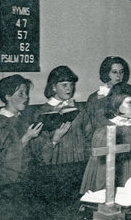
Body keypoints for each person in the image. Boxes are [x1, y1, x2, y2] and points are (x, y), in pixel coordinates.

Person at [32, 65, 92, 202]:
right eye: (64, 85)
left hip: (79, 163)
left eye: (71, 84)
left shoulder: (80, 110)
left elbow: (89, 136)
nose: (69, 88)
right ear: (53, 87)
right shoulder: (42, 112)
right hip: (56, 167)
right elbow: (37, 148)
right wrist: (54, 139)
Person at [80, 83, 131, 193]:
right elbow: (101, 172)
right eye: (130, 102)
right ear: (116, 103)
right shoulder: (105, 132)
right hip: (120, 182)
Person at [0, 75, 43, 188]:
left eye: (26, 93)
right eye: (21, 93)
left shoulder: (24, 121)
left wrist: (55, 139)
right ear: (8, 96)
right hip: (8, 182)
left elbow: (37, 154)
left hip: (29, 179)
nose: (26, 97)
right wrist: (26, 138)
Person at [86, 56, 130, 131]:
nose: (119, 75)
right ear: (106, 73)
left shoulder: (129, 94)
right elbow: (89, 127)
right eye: (114, 72)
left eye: (121, 72)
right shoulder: (95, 98)